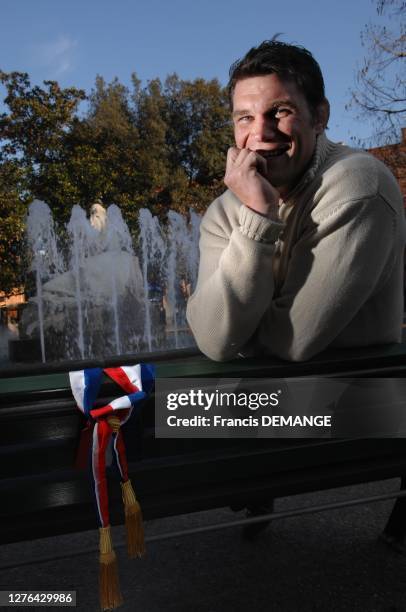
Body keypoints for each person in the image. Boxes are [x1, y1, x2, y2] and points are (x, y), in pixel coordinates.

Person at [186, 40, 406, 362]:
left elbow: (290, 340)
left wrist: (240, 334)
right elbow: (214, 341)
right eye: (245, 118)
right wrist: (258, 212)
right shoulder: (226, 209)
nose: (261, 133)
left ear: (319, 117)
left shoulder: (359, 185)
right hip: (267, 405)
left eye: (280, 112)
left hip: (356, 401)